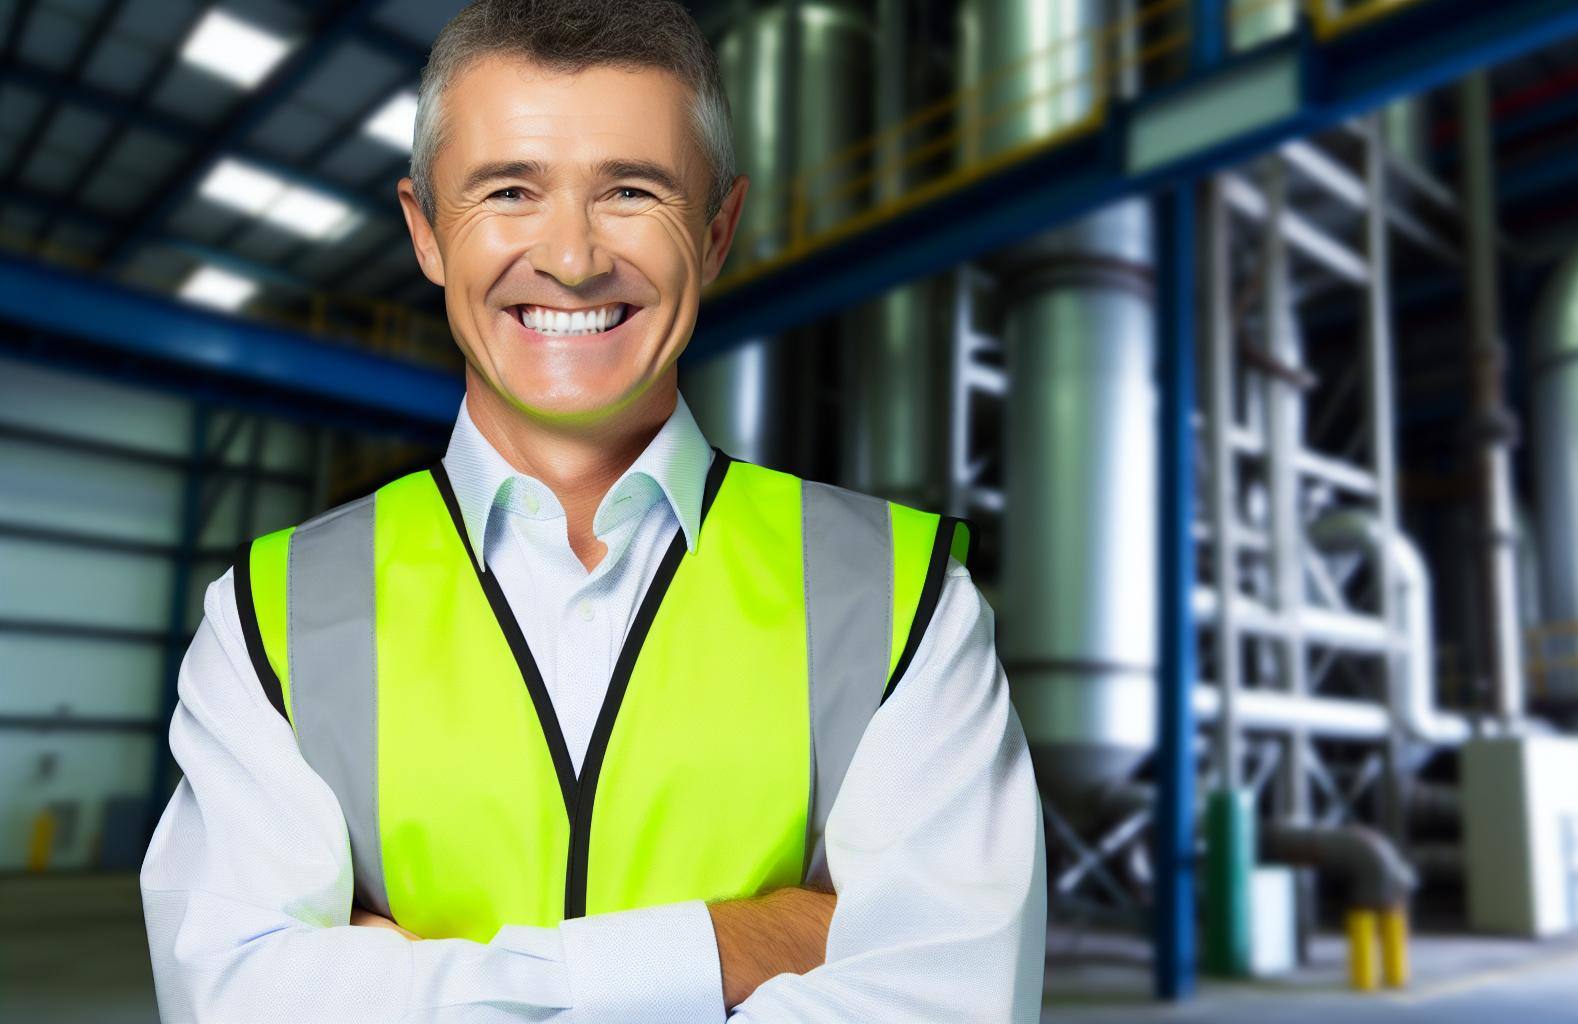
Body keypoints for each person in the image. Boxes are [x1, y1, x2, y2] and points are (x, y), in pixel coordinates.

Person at [139, 1, 1045, 1020]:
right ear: (426, 231)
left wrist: (406, 979)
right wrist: (730, 947)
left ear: (715, 231)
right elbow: (235, 999)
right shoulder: (271, 613)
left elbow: (946, 1002)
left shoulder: (904, 597)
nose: (571, 258)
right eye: (510, 191)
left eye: (630, 191)